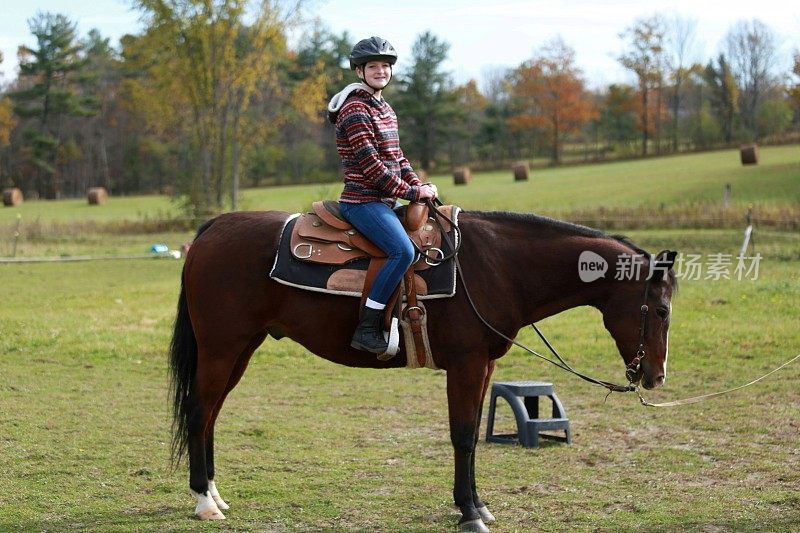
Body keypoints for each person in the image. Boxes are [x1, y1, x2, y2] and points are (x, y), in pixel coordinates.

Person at [327, 36, 438, 356]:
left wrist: (418, 184)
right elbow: (373, 168)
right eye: (373, 66)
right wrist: (413, 192)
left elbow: (397, 157)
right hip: (363, 202)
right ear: (360, 72)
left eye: (385, 66)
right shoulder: (355, 110)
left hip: (387, 200)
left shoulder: (386, 109)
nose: (380, 71)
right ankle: (367, 325)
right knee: (402, 251)